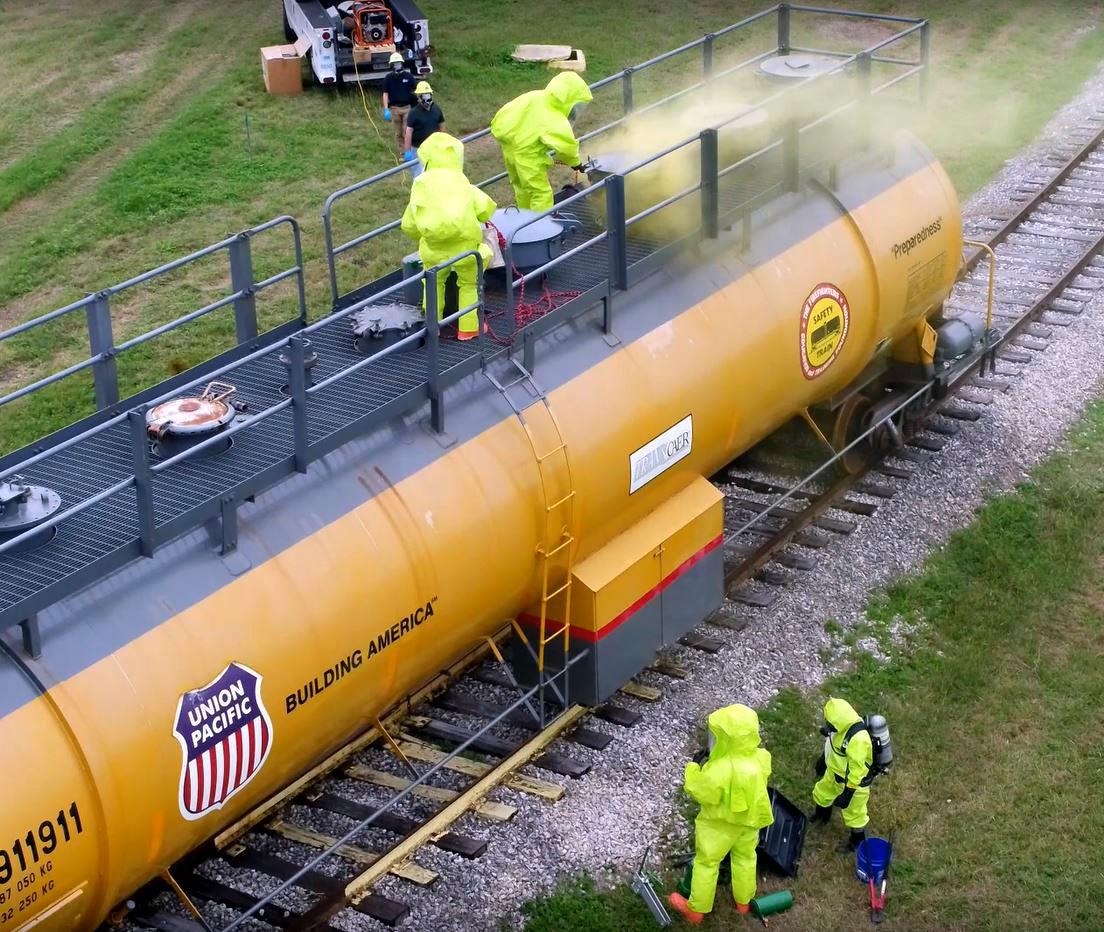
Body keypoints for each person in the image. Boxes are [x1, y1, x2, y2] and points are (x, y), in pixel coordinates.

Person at [668, 704, 774, 925]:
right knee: (745, 858)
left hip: (719, 826)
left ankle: (696, 910)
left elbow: (701, 792)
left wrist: (694, 768)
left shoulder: (719, 769)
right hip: (750, 822)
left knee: (707, 863)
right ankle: (743, 902)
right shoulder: (762, 758)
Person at [400, 133, 496, 340]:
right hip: (465, 247)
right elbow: (486, 209)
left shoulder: (420, 187)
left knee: (433, 284)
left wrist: (424, 235)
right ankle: (468, 329)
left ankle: (432, 326)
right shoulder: (463, 184)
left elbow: (408, 224)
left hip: (433, 247)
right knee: (469, 285)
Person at [490, 72, 593, 212]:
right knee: (540, 193)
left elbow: (504, 115)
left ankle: (525, 221)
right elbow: (566, 148)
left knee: (522, 188)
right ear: (569, 98)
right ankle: (542, 228)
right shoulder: (555, 118)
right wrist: (576, 163)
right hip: (528, 154)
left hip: (509, 147)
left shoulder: (535, 96)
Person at [811, 696, 873, 852]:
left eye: (830, 723)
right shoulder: (841, 726)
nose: (828, 725)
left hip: (855, 783)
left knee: (855, 813)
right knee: (822, 792)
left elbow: (857, 770)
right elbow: (835, 748)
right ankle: (822, 816)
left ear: (839, 722)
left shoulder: (858, 740)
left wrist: (849, 792)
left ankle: (857, 840)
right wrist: (824, 761)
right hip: (834, 773)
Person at [403, 81, 445, 179]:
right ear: (418, 97)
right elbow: (408, 132)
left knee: (434, 173)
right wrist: (407, 151)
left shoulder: (436, 109)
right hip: (418, 149)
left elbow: (441, 126)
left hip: (433, 147)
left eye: (428, 95)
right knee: (419, 175)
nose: (426, 99)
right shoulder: (413, 113)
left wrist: (442, 141)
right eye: (423, 96)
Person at [381, 52, 417, 152]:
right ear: (391, 65)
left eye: (399, 63)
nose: (397, 65)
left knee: (407, 130)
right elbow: (385, 93)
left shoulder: (408, 76)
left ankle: (408, 150)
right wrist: (385, 109)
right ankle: (402, 151)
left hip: (407, 108)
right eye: (395, 63)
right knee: (398, 132)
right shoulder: (388, 78)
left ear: (402, 63)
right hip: (394, 109)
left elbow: (415, 91)